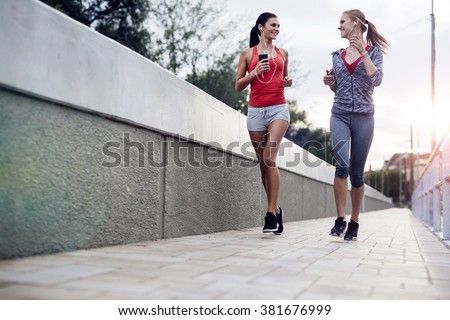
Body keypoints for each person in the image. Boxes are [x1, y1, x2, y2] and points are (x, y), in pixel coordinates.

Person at [323, 9, 389, 240]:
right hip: (339, 113)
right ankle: (340, 219)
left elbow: (377, 80)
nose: (339, 26)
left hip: (364, 117)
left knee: (357, 173)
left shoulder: (374, 52)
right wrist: (330, 83)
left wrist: (364, 54)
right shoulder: (336, 55)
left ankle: (354, 221)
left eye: (342, 22)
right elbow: (338, 86)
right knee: (341, 166)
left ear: (356, 23)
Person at [235, 12, 293, 234]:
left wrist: (287, 81)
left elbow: (283, 80)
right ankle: (276, 209)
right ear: (261, 27)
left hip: (278, 108)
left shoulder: (283, 53)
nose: (277, 29)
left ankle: (269, 215)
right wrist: (255, 72)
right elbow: (238, 85)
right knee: (262, 163)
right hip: (256, 111)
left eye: (279, 25)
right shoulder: (248, 54)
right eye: (273, 25)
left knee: (270, 158)